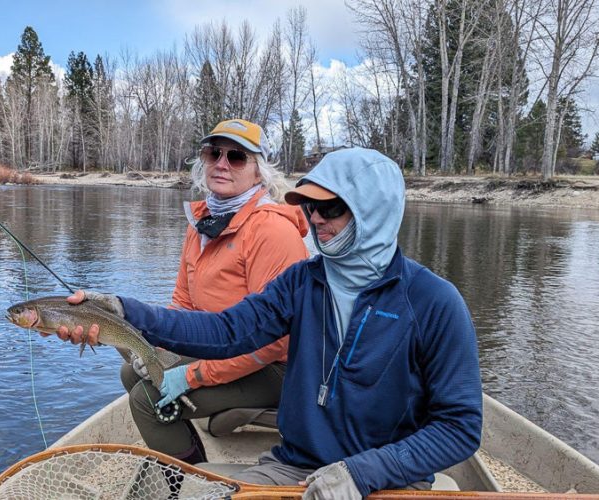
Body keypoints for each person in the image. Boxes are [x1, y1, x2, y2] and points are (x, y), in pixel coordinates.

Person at [57, 148, 482, 498]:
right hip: (292, 468)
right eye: (310, 206)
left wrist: (364, 471)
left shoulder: (434, 302)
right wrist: (124, 311)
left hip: (390, 480)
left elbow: (460, 428)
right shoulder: (303, 282)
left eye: (330, 207)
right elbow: (226, 332)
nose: (315, 219)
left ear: (375, 211)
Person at [116, 118, 309, 465]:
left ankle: (195, 483)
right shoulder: (203, 223)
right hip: (222, 349)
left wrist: (191, 375)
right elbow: (183, 304)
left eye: (237, 157)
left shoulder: (273, 231)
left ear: (259, 172)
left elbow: (273, 342)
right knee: (132, 371)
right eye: (213, 152)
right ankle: (184, 441)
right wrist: (154, 350)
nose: (221, 163)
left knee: (145, 399)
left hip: (278, 367)